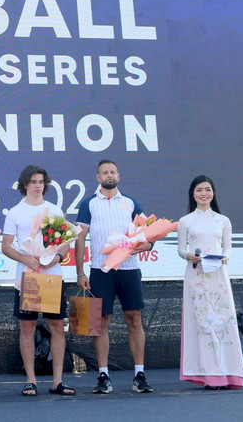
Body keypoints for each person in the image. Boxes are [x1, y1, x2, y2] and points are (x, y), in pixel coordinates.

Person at [75, 160, 153, 394]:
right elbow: (80, 238)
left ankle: (139, 375)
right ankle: (103, 375)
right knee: (100, 322)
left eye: (112, 172)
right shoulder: (88, 203)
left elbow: (150, 232)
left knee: (134, 319)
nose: (109, 175)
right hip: (100, 271)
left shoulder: (130, 202)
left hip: (129, 269)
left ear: (118, 176)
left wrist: (148, 245)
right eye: (105, 172)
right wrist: (80, 272)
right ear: (98, 177)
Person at [1, 165, 75, 397]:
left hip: (52, 276)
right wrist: (26, 259)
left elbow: (65, 242)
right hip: (28, 276)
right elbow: (6, 246)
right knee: (27, 327)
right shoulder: (15, 212)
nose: (38, 185)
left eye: (41, 181)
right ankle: (31, 380)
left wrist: (55, 258)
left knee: (57, 327)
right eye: (33, 181)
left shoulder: (54, 209)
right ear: (25, 184)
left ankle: (58, 381)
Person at [177, 175, 243, 389]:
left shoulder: (223, 220)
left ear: (213, 193)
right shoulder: (186, 221)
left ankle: (229, 373)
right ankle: (208, 374)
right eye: (199, 190)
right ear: (192, 193)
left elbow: (228, 247)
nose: (203, 193)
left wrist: (225, 258)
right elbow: (181, 249)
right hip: (196, 275)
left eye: (207, 189)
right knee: (201, 322)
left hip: (218, 274)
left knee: (223, 320)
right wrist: (189, 256)